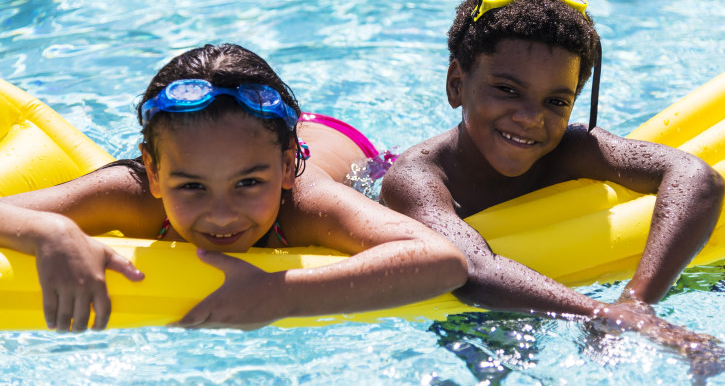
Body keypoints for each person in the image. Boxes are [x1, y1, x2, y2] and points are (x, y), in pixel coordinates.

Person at [0, 43, 467, 332]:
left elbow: (441, 260)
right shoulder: (130, 193)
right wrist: (52, 233)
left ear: (286, 168)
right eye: (192, 187)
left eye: (248, 184)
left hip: (337, 144)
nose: (221, 214)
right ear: (155, 172)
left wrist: (283, 293)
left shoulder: (303, 201)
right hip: (251, 137)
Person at [379, 0, 725, 354]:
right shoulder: (417, 178)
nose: (531, 118)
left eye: (556, 102)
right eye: (507, 90)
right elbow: (468, 268)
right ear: (456, 84)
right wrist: (601, 314)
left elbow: (696, 177)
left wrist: (637, 302)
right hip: (464, 304)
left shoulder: (571, 148)